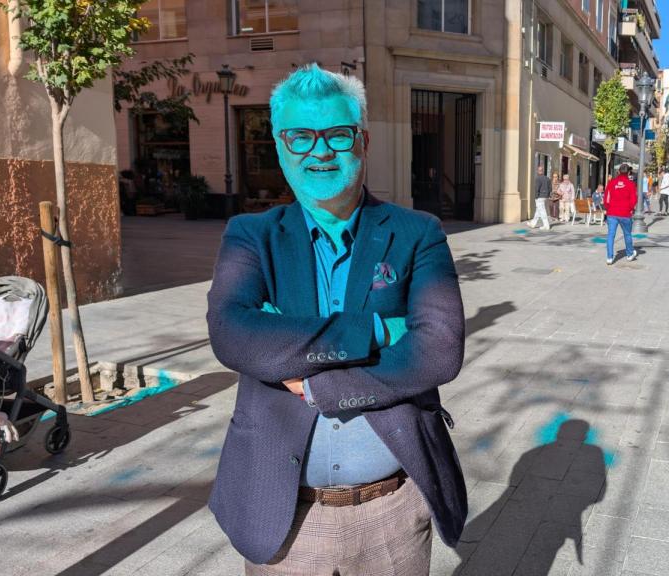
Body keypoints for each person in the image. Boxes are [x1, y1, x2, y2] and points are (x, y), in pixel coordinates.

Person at [206, 63, 467, 576]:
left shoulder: (417, 232)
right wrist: (376, 331)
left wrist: (313, 378)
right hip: (282, 515)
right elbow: (233, 333)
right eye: (300, 137)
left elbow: (438, 348)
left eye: (337, 134)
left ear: (362, 140)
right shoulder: (250, 235)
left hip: (391, 510)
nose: (320, 151)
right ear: (281, 147)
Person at [603, 164, 638, 265]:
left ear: (618, 172)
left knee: (610, 235)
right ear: (628, 172)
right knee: (627, 234)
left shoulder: (612, 183)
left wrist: (608, 208)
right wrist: (630, 208)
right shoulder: (631, 184)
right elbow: (633, 199)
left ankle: (609, 257)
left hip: (612, 213)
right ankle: (630, 254)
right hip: (625, 213)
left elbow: (606, 198)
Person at [529, 165, 552, 230]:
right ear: (543, 171)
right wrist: (548, 195)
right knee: (538, 211)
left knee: (542, 211)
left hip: (540, 197)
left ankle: (546, 225)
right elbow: (550, 188)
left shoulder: (538, 178)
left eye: (539, 170)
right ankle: (533, 223)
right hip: (545, 197)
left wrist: (536, 197)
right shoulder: (547, 178)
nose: (539, 171)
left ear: (538, 171)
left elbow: (537, 188)